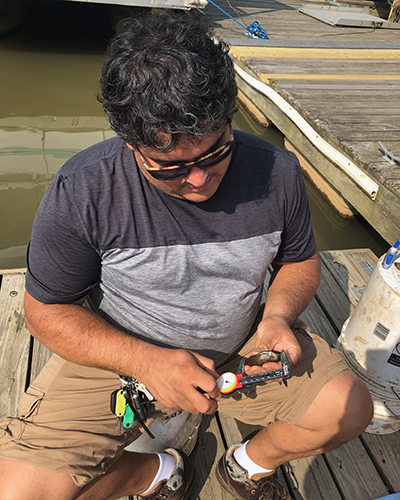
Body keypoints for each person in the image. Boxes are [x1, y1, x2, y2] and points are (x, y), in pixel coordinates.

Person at [0, 11, 373, 500]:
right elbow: (45, 311)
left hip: (243, 348)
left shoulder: (278, 171)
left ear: (230, 115)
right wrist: (147, 362)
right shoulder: (82, 189)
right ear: (130, 143)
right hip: (122, 356)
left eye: (216, 153)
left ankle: (246, 464)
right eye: (169, 167)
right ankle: (152, 473)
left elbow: (299, 260)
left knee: (349, 407)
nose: (198, 180)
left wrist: (278, 316)